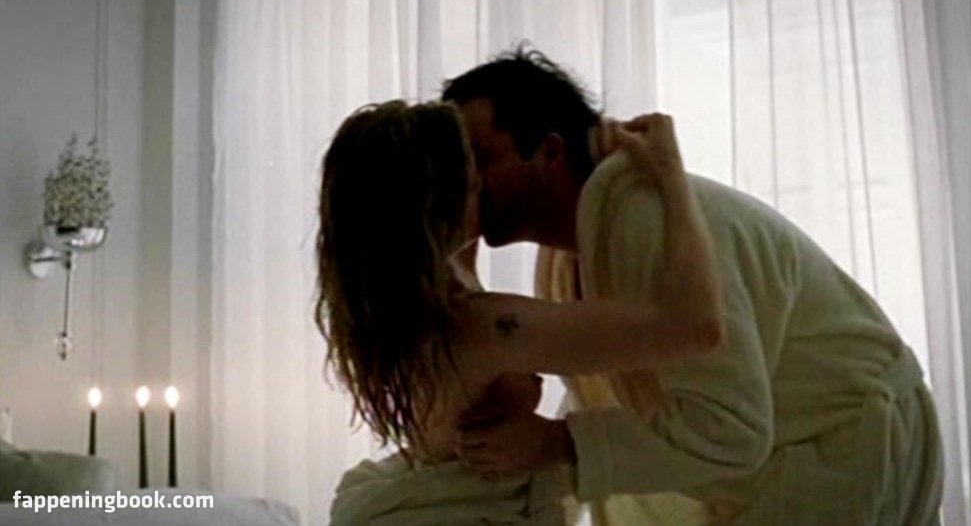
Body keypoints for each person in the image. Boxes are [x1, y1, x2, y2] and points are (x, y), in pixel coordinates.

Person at [445, 47, 944, 525]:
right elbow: (620, 392)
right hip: (787, 445)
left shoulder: (643, 219)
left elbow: (730, 430)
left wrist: (556, 444)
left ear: (550, 152)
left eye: (480, 159)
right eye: (457, 168)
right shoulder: (573, 249)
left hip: (841, 441)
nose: (466, 183)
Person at [317, 100, 723, 525]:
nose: (484, 187)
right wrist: (670, 175)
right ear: (440, 207)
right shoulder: (482, 328)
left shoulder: (416, 294)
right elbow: (694, 328)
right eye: (474, 182)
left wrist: (582, 160)